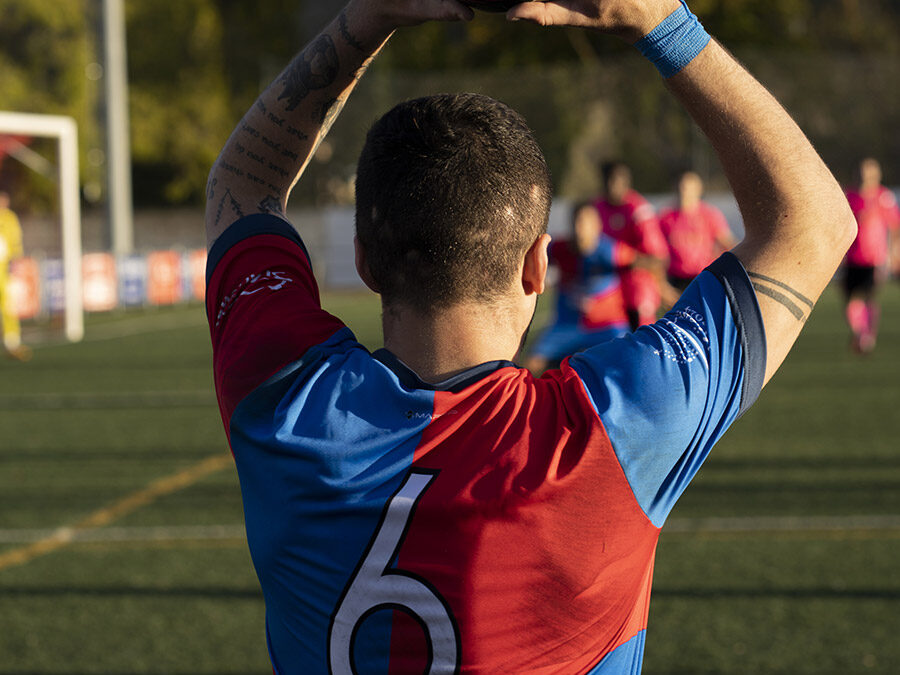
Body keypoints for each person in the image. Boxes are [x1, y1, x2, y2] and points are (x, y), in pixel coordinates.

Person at [204, 0, 855, 672]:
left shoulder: (283, 397)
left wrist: (370, 16)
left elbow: (243, 184)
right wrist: (661, 19)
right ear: (538, 264)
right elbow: (813, 224)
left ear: (366, 260)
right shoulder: (613, 430)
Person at [525, 202, 634, 374]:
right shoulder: (560, 248)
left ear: (597, 226)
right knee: (532, 364)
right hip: (567, 326)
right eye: (577, 222)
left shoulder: (610, 251)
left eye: (586, 222)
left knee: (629, 361)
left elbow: (650, 263)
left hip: (607, 326)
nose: (580, 228)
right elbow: (529, 254)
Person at [594, 161, 672, 329]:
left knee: (640, 339)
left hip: (637, 289)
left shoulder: (639, 211)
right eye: (609, 180)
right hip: (607, 289)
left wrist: (624, 259)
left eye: (619, 181)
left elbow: (658, 259)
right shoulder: (596, 208)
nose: (613, 186)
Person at [843, 158, 900, 353]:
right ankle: (861, 334)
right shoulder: (848, 196)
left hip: (874, 259)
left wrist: (893, 255)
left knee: (867, 298)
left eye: (868, 173)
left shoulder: (883, 197)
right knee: (851, 300)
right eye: (861, 173)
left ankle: (866, 336)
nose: (865, 177)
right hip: (851, 258)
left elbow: (894, 228)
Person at [660, 170, 737, 291]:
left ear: (698, 190)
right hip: (676, 279)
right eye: (681, 187)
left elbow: (727, 242)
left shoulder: (709, 214)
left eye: (688, 188)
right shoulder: (666, 217)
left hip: (702, 276)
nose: (684, 192)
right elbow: (657, 251)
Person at [0, 191, 29, 361]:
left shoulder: (10, 219)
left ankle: (12, 343)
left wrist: (15, 262)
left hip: (4, 270)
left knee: (8, 306)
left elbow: (15, 242)